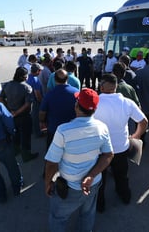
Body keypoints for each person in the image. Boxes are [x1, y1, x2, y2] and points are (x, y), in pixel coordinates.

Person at [44, 88, 114, 232]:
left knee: (58, 218)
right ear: (95, 109)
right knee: (87, 214)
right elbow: (108, 155)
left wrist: (48, 183)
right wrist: (90, 176)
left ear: (76, 105)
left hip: (69, 187)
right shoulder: (102, 128)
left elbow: (52, 163)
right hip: (92, 184)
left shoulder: (63, 130)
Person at [94, 74, 148, 212]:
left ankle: (100, 204)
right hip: (121, 148)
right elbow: (143, 122)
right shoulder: (127, 102)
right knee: (122, 175)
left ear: (101, 86)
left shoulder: (95, 102)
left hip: (100, 150)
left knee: (100, 178)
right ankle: (125, 196)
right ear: (116, 86)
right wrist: (135, 136)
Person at [0, 67, 38, 162]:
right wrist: (16, 112)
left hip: (11, 115)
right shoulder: (27, 87)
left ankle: (15, 151)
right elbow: (27, 104)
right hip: (24, 116)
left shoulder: (7, 85)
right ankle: (26, 155)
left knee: (15, 134)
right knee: (25, 135)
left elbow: (0, 98)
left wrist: (8, 110)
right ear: (24, 77)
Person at [39, 69, 79, 149]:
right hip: (72, 130)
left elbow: (42, 112)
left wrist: (42, 122)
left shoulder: (49, 95)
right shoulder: (76, 92)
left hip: (54, 130)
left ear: (54, 79)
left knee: (52, 154)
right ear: (67, 79)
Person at [27, 63, 44, 137]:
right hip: (35, 102)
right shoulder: (35, 80)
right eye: (40, 71)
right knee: (36, 118)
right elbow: (37, 94)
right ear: (37, 71)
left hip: (29, 100)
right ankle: (37, 133)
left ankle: (31, 131)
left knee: (31, 117)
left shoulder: (29, 77)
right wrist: (42, 102)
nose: (40, 72)